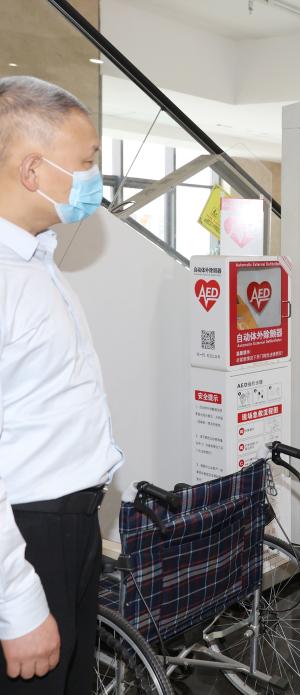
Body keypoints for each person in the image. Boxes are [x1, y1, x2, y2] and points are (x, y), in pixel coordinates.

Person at [0, 76, 123, 692]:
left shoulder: (36, 258)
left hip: (72, 524)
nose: (95, 178)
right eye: (86, 162)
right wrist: (17, 604)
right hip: (26, 536)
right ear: (32, 170)